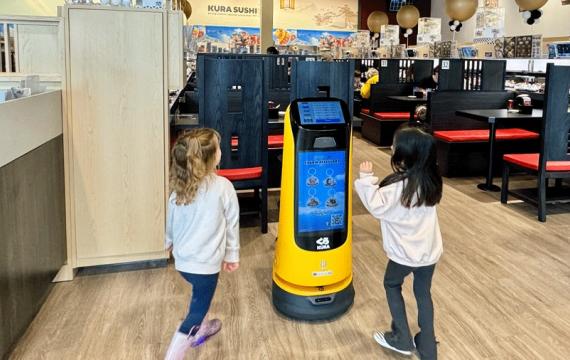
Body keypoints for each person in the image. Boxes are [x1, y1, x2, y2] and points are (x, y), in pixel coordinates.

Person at [354, 125, 443, 360]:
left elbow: (376, 206)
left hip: (404, 254)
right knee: (423, 292)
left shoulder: (397, 188)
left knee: (392, 284)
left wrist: (365, 178)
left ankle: (401, 338)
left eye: (395, 145)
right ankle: (427, 346)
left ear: (405, 155)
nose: (392, 147)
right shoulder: (430, 181)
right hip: (429, 251)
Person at [164, 128, 240, 360]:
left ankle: (204, 328)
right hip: (206, 266)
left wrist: (168, 243)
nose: (220, 150)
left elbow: (171, 223)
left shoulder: (180, 188)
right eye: (218, 147)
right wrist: (232, 255)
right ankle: (175, 353)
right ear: (211, 157)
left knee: (200, 296)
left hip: (183, 262)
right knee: (196, 311)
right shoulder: (223, 187)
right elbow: (232, 224)